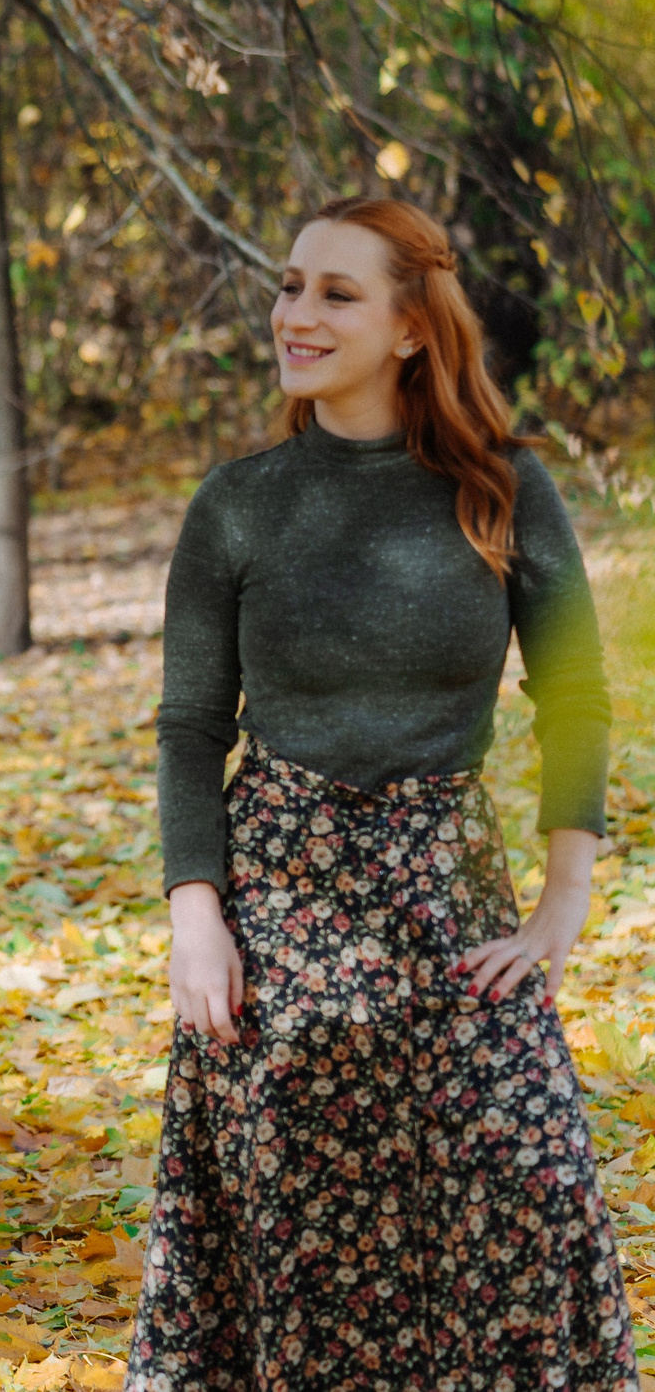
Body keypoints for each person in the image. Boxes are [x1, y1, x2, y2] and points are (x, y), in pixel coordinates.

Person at [130, 196, 635, 1390]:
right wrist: (193, 920)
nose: (294, 313)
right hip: (280, 906)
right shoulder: (240, 502)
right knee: (302, 1237)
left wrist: (563, 906)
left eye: (334, 293)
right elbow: (191, 725)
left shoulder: (504, 488)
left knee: (530, 1184)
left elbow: (576, 698)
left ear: (412, 327)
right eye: (289, 284)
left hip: (449, 906)